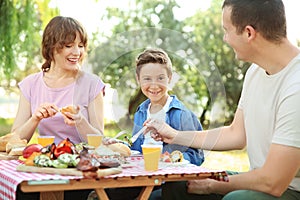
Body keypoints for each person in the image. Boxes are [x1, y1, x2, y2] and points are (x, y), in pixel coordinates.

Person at [144, 0, 300, 200]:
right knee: (178, 185)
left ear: (248, 33)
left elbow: (273, 181)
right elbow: (236, 134)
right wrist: (174, 135)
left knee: (234, 198)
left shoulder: (296, 85)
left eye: (227, 30)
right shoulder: (255, 72)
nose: (225, 39)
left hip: (289, 190)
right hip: (260, 182)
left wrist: (212, 185)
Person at [12, 16, 105, 200]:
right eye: (69, 45)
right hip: (43, 166)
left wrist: (81, 122)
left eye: (81, 45)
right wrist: (35, 118)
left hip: (79, 172)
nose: (77, 52)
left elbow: (99, 142)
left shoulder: (92, 84)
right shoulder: (31, 84)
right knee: (22, 193)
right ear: (51, 47)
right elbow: (16, 140)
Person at [103, 48, 205, 200]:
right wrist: (119, 145)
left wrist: (170, 159)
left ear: (169, 78)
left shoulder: (182, 114)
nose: (154, 85)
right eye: (147, 79)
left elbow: (197, 155)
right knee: (109, 191)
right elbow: (136, 149)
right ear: (138, 79)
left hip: (167, 182)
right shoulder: (141, 111)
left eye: (160, 78)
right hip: (142, 178)